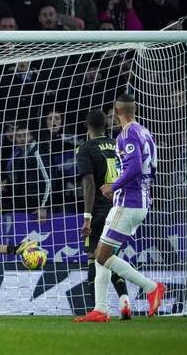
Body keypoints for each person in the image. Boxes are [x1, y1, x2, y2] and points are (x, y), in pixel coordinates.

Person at [74, 93, 165, 322]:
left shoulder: (127, 133)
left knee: (101, 256)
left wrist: (113, 185)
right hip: (140, 199)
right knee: (101, 255)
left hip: (128, 202)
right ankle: (101, 309)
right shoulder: (145, 131)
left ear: (116, 112)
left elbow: (134, 166)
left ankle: (151, 287)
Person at [75, 109, 131, 318]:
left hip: (98, 209)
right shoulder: (118, 145)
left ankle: (98, 310)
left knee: (93, 258)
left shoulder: (85, 148)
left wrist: (87, 217)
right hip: (120, 206)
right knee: (111, 256)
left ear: (86, 125)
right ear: (106, 125)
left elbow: (89, 183)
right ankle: (124, 299)